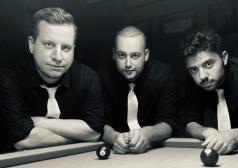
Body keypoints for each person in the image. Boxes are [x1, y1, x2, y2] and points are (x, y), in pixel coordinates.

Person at [0, 7, 104, 152]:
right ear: (32, 44)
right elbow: (24, 141)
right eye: (49, 44)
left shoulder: (87, 78)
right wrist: (81, 135)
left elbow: (94, 131)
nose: (58, 57)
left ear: (74, 48)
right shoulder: (9, 78)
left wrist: (41, 122)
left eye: (66, 47)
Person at [98, 26, 177, 154]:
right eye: (121, 55)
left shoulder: (163, 74)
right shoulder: (104, 74)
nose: (128, 63)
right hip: (118, 148)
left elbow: (169, 123)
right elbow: (100, 123)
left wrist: (147, 134)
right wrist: (114, 137)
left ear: (146, 55)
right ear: (113, 54)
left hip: (155, 150)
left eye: (135, 56)